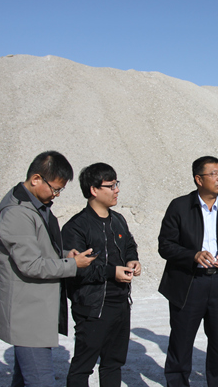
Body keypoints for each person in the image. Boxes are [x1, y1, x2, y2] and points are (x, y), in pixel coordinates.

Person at [0, 151, 96, 387]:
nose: (56, 195)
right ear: (36, 179)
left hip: (36, 310)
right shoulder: (17, 214)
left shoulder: (35, 206)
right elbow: (31, 264)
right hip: (28, 313)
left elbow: (39, 250)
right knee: (41, 381)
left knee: (24, 379)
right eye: (55, 189)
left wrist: (65, 255)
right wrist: (72, 265)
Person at [158, 156, 218, 387]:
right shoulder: (179, 207)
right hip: (189, 283)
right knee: (181, 343)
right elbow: (165, 245)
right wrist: (193, 255)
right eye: (213, 174)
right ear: (198, 179)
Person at [61, 162, 141, 386]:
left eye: (117, 184)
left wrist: (132, 260)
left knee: (113, 363)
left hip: (120, 303)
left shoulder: (118, 219)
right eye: (111, 185)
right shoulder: (75, 227)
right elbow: (75, 269)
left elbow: (129, 245)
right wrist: (112, 272)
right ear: (94, 190)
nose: (117, 190)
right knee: (83, 366)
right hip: (93, 307)